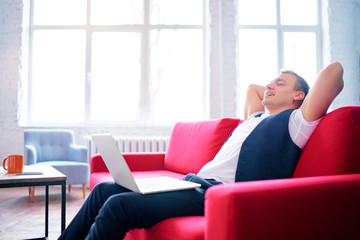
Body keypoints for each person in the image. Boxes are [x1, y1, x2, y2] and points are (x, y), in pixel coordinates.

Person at [58, 62, 344, 240]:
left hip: (214, 193)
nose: (268, 86)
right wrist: (275, 85)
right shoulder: (255, 118)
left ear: (299, 96)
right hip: (189, 183)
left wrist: (291, 89)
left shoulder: (297, 123)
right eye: (270, 82)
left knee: (118, 206)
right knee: (103, 190)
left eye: (280, 84)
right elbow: (252, 89)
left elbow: (335, 72)